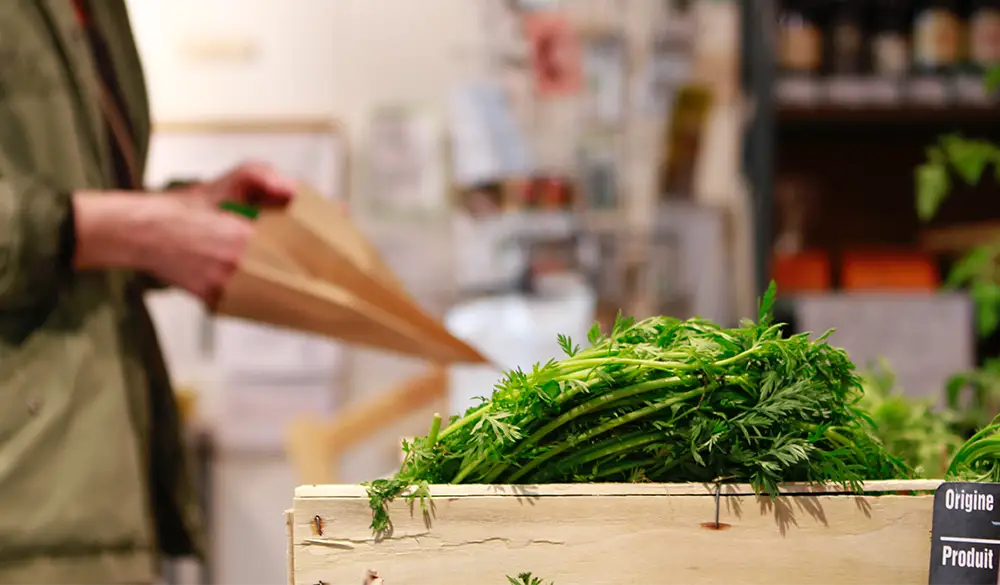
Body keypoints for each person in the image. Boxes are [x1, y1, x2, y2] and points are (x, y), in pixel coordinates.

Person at [0, 2, 298, 584]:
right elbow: (74, 224)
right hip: (23, 505)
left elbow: (77, 212)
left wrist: (187, 216)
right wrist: (128, 229)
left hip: (99, 490)